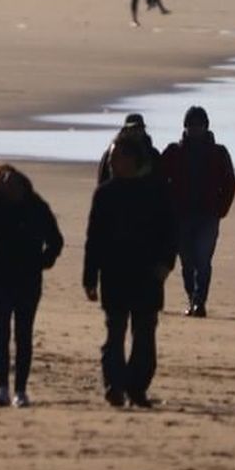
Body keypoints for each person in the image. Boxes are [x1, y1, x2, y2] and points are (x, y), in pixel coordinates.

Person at [84, 134, 177, 409]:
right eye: (111, 158)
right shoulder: (105, 194)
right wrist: (89, 277)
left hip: (148, 276)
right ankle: (114, 385)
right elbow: (94, 239)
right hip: (114, 276)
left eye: (117, 158)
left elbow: (170, 233)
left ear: (133, 160)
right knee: (114, 334)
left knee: (144, 336)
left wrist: (166, 264)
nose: (111, 163)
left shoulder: (156, 191)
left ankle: (137, 388)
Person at [0, 164, 64, 408]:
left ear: (22, 183)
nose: (10, 187)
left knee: (23, 335)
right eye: (3, 184)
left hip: (27, 279)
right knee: (1, 334)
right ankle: (2, 388)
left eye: (13, 183)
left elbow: (56, 240)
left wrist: (43, 262)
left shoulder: (36, 206)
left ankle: (21, 391)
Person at [160, 106, 235, 318]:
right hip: (180, 216)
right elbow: (158, 179)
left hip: (208, 216)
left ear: (206, 127)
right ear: (185, 127)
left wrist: (221, 209)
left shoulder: (219, 153)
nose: (195, 129)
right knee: (187, 261)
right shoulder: (174, 152)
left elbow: (230, 183)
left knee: (203, 260)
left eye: (198, 125)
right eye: (191, 125)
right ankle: (192, 297)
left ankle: (199, 302)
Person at [96, 113, 160, 184]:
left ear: (143, 130)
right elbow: (102, 180)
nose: (136, 132)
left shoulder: (152, 154)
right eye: (132, 129)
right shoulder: (113, 154)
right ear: (125, 130)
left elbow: (159, 180)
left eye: (139, 128)